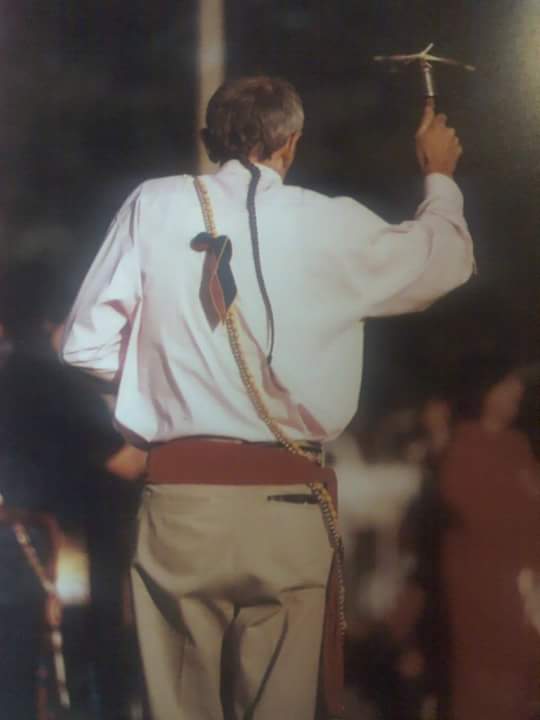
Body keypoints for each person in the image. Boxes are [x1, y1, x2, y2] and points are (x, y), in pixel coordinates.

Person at [60, 76, 474, 720]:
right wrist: (439, 175)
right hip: (289, 507)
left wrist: (163, 383)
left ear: (208, 141)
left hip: (183, 506)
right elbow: (443, 262)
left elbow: (84, 344)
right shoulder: (331, 221)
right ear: (292, 143)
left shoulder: (154, 204)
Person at [439, 362, 540, 719]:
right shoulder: (463, 447)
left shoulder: (517, 445)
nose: (517, 391)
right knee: (485, 688)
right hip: (482, 590)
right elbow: (482, 517)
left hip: (522, 588)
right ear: (485, 391)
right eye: (507, 384)